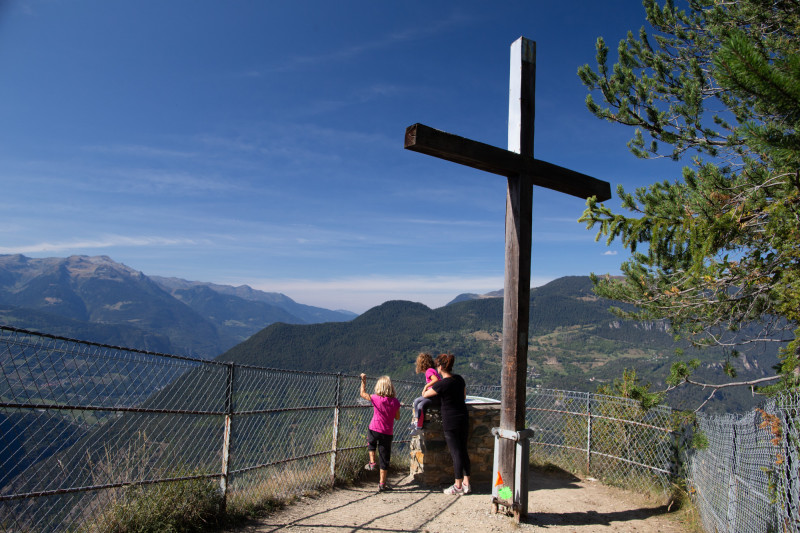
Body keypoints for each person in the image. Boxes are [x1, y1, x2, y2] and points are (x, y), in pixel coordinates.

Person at [423, 353, 471, 495]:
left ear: (441, 367)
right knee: (463, 450)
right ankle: (467, 483)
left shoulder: (442, 384)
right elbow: (464, 397)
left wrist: (427, 385)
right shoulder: (459, 379)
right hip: (463, 417)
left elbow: (425, 395)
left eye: (437, 365)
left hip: (450, 421)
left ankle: (457, 485)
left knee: (455, 453)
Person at [360, 373, 401, 492]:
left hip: (374, 428)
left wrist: (363, 381)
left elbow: (362, 394)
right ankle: (382, 484)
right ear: (391, 387)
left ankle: (372, 462)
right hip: (387, 432)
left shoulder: (375, 398)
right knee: (384, 457)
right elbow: (397, 417)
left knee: (371, 443)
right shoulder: (395, 402)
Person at [409, 352, 441, 436]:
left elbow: (435, 380)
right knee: (416, 401)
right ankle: (416, 422)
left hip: (434, 396)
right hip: (433, 395)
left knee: (420, 405)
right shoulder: (432, 370)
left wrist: (426, 387)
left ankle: (419, 426)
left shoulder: (429, 371)